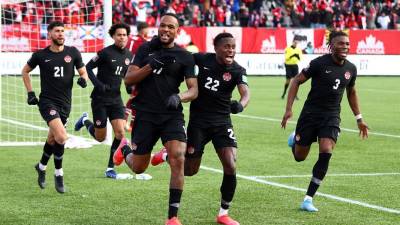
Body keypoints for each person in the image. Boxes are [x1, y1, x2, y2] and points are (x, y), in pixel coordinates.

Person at [151, 32, 250, 225]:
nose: (231, 50)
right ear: (216, 48)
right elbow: (180, 56)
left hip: (222, 123)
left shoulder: (238, 70)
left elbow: (245, 92)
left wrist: (241, 104)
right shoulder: (202, 59)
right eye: (226, 46)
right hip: (199, 123)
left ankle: (223, 214)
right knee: (189, 170)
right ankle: (166, 155)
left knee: (231, 164)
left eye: (233, 46)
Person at [112, 13, 198, 225]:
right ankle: (125, 148)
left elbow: (193, 90)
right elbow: (128, 81)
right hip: (145, 115)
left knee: (178, 156)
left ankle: (172, 217)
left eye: (171, 27)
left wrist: (179, 97)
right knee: (139, 167)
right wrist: (150, 65)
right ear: (157, 28)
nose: (166, 30)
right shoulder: (145, 49)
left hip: (171, 115)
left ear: (177, 31)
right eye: (162, 26)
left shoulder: (185, 56)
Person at [281, 30, 369, 212]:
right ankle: (294, 140)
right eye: (340, 43)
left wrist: (359, 118)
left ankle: (308, 199)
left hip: (331, 116)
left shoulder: (351, 68)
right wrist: (289, 109)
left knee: (326, 149)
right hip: (310, 115)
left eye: (347, 43)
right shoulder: (319, 63)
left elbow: (351, 92)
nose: (345, 46)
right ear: (331, 46)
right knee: (299, 157)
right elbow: (296, 81)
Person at [22, 21, 88, 193]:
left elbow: (83, 71)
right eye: (57, 31)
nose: (60, 34)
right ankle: (59, 175)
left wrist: (83, 79)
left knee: (52, 139)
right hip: (47, 103)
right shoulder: (40, 55)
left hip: (65, 104)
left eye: (62, 31)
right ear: (49, 34)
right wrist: (30, 93)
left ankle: (41, 167)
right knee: (61, 136)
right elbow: (25, 71)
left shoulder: (72, 52)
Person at [74, 23, 133, 179]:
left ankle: (110, 168)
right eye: (119, 35)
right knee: (100, 137)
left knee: (120, 133)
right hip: (100, 99)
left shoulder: (129, 56)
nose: (122, 37)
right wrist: (99, 85)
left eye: (125, 35)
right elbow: (87, 67)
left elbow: (127, 78)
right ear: (113, 36)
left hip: (116, 100)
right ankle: (85, 120)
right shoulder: (105, 53)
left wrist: (130, 90)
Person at [124, 22, 149, 132]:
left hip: (126, 71)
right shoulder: (143, 43)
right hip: (136, 72)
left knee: (135, 97)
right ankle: (128, 123)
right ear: (144, 30)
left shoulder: (128, 39)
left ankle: (126, 121)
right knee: (136, 98)